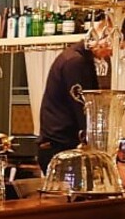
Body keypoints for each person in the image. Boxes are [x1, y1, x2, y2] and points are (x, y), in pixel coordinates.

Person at [37, 41, 100, 172]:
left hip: (58, 146)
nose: (111, 53)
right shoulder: (75, 62)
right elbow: (83, 108)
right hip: (62, 149)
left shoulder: (74, 58)